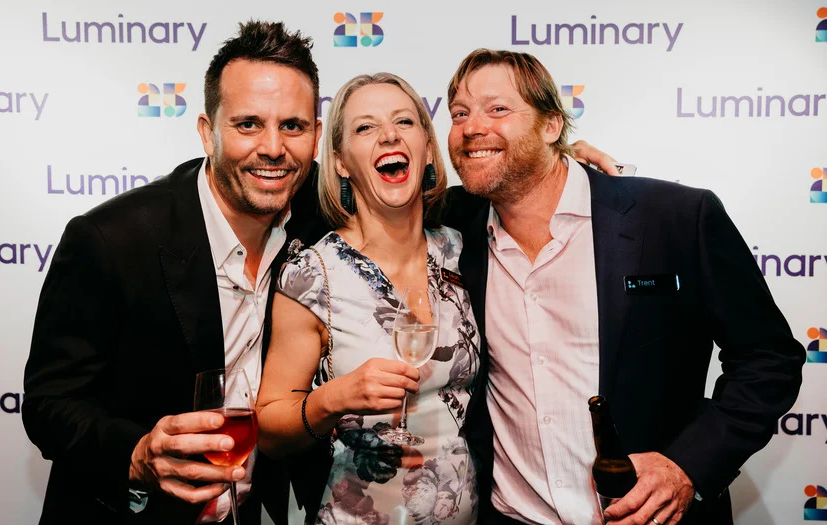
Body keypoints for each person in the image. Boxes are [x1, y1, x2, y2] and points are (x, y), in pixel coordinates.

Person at [441, 49, 805, 525]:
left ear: (551, 126)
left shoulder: (674, 218)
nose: (472, 127)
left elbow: (769, 358)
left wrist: (686, 466)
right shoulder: (451, 226)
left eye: (498, 109)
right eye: (459, 114)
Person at [22, 21, 326, 525]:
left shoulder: (316, 227)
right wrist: (139, 453)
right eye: (248, 124)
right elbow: (49, 405)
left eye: (292, 126)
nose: (273, 148)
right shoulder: (111, 240)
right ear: (208, 132)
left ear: (316, 138)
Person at [256, 73, 480, 525]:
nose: (389, 135)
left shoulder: (461, 249)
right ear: (340, 162)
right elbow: (268, 430)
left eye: (404, 121)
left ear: (428, 148)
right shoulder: (313, 275)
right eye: (365, 127)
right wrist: (335, 398)